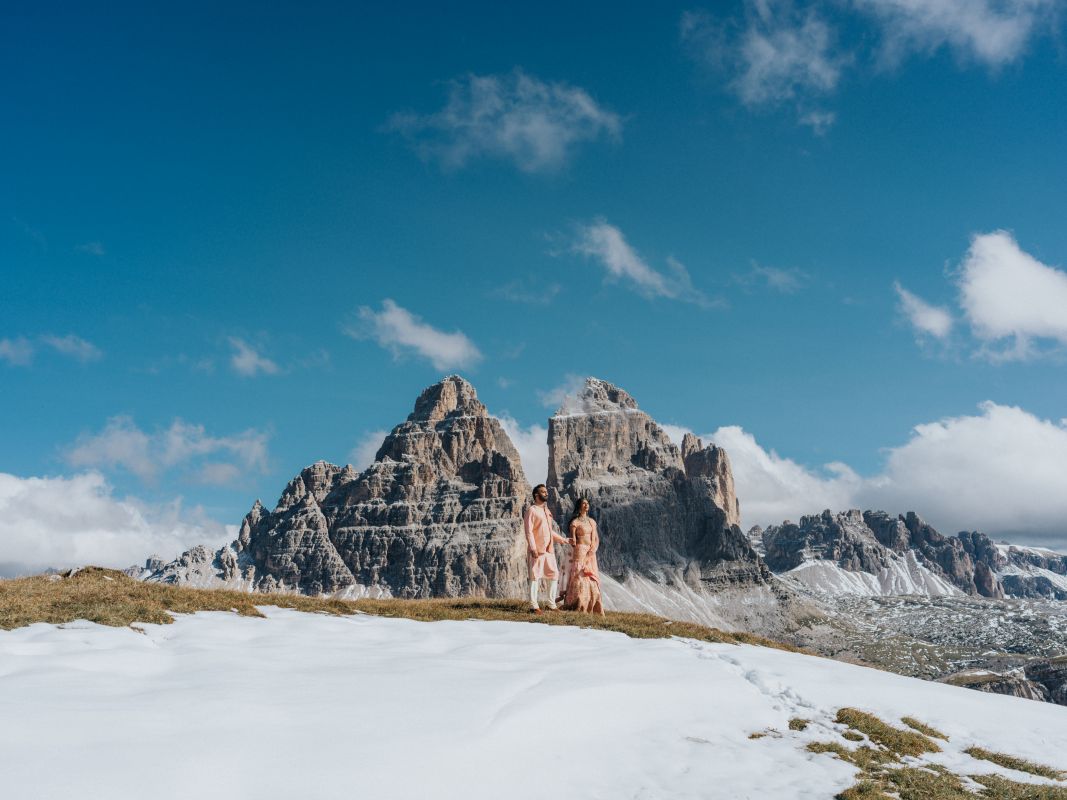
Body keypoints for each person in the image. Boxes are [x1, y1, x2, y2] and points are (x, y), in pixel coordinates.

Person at [523, 484, 569, 614]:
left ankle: (551, 604)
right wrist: (533, 548)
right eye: (543, 492)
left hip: (549, 550)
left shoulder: (546, 511)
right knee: (535, 576)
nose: (546, 494)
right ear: (536, 495)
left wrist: (563, 540)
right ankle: (533, 606)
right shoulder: (532, 510)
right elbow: (529, 531)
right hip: (537, 550)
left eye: (546, 492)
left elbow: (550, 531)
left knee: (554, 575)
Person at [563, 497, 604, 615]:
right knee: (579, 575)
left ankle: (593, 605)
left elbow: (596, 538)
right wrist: (573, 542)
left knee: (591, 578)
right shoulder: (575, 522)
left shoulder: (592, 522)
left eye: (587, 503)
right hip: (580, 551)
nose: (586, 505)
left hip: (591, 552)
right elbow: (573, 540)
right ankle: (579, 603)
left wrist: (593, 550)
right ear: (579, 506)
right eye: (583, 503)